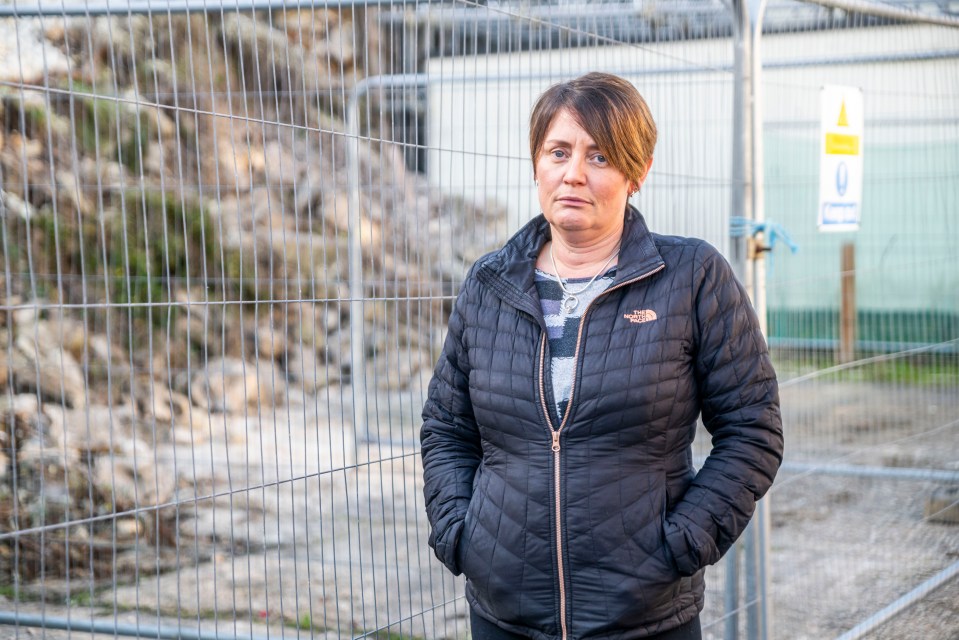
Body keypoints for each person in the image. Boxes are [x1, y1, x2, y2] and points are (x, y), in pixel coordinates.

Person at [420, 72, 783, 640]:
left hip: (644, 614)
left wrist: (682, 543)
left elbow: (753, 428)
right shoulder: (488, 284)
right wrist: (460, 532)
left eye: (601, 156)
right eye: (558, 151)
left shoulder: (691, 277)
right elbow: (446, 426)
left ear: (637, 172)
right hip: (504, 610)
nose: (574, 174)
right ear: (536, 163)